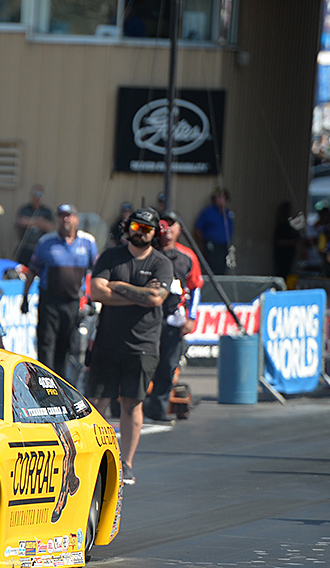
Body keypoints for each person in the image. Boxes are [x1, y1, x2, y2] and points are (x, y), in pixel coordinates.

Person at [86, 207, 171, 487]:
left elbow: (157, 299)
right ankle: (94, 458)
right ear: (128, 228)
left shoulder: (162, 263)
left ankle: (126, 463)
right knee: (97, 401)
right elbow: (97, 291)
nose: (141, 233)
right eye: (136, 227)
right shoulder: (111, 256)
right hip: (108, 342)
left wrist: (118, 286)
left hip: (143, 345)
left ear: (154, 233)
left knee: (131, 403)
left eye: (147, 229)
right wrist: (139, 295)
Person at [21, 203, 99, 377]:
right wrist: (24, 297)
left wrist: (93, 299)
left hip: (72, 301)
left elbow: (96, 272)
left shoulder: (88, 242)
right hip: (49, 300)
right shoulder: (46, 242)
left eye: (69, 215)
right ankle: (43, 380)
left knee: (66, 346)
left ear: (76, 219)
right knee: (46, 343)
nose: (65, 219)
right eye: (62, 215)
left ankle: (60, 384)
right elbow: (32, 270)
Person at [144, 210, 203, 422]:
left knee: (168, 364)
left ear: (179, 229)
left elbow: (196, 287)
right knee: (145, 361)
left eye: (172, 225)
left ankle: (159, 408)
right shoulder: (148, 252)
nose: (167, 230)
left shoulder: (187, 256)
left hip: (174, 319)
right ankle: (138, 404)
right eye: (163, 225)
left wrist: (192, 317)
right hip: (148, 319)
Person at [193, 187, 235, 274]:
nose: (221, 200)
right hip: (211, 247)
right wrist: (204, 243)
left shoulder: (228, 214)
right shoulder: (207, 212)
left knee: (222, 270)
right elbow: (198, 230)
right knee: (211, 269)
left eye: (223, 197)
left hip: (224, 247)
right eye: (218, 197)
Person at [14, 184, 54, 265]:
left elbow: (50, 226)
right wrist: (38, 221)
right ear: (31, 195)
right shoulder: (24, 209)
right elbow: (21, 221)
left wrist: (30, 221)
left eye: (40, 195)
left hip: (40, 247)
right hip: (25, 246)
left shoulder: (46, 211)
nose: (37, 197)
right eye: (35, 194)